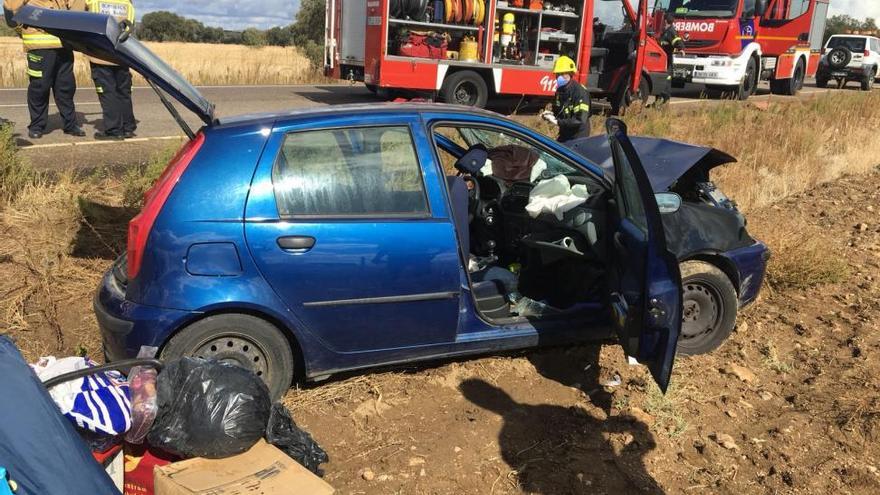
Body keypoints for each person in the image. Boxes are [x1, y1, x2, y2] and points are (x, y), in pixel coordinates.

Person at [3, 0, 86, 140]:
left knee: (65, 87)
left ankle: (70, 125)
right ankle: (37, 126)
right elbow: (11, 6)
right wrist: (22, 27)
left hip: (64, 45)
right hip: (39, 46)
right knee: (39, 87)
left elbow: (77, 7)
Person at [83, 0, 136, 140]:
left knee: (108, 93)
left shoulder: (94, 2)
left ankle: (113, 130)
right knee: (123, 92)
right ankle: (128, 127)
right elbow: (129, 28)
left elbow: (83, 21)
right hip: (122, 56)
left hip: (100, 55)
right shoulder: (128, 5)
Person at [541, 55, 590, 143]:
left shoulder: (580, 92)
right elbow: (559, 111)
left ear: (571, 74)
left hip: (578, 136)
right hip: (565, 132)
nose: (559, 77)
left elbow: (580, 120)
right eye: (558, 74)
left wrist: (558, 122)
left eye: (563, 74)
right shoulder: (560, 91)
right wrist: (550, 115)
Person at [658, 13, 685, 105]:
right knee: (660, 78)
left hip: (667, 59)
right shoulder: (664, 31)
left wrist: (681, 49)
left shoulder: (671, 31)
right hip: (661, 58)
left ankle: (665, 101)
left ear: (665, 21)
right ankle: (659, 100)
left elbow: (678, 41)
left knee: (666, 79)